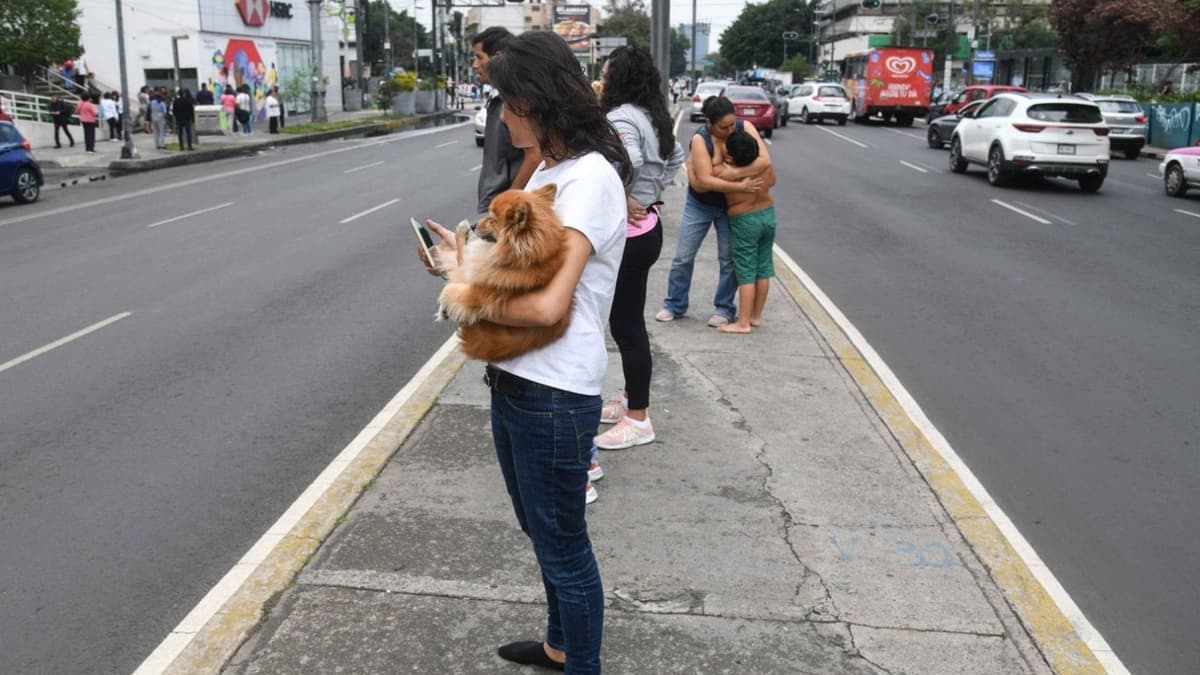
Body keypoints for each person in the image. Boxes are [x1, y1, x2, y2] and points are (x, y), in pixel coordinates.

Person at [423, 30, 631, 674]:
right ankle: (558, 644)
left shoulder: (590, 181)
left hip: (555, 392)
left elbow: (548, 305)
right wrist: (464, 264)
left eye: (508, 103)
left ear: (537, 101)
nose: (503, 117)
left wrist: (466, 296)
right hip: (516, 379)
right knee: (540, 531)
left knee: (564, 545)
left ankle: (582, 665)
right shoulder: (548, 167)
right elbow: (523, 273)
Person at [590, 45, 686, 473]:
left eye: (607, 73)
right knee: (629, 324)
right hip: (647, 228)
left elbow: (620, 160)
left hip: (629, 233)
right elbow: (676, 158)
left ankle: (638, 419)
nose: (602, 79)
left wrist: (628, 196)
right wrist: (651, 193)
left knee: (626, 327)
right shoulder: (653, 114)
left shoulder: (622, 117)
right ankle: (631, 399)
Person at [655, 95, 767, 327]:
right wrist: (740, 184)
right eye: (723, 126)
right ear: (709, 122)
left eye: (731, 124)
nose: (729, 130)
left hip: (732, 207)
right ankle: (674, 304)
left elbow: (765, 162)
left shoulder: (743, 127)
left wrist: (729, 174)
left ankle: (724, 308)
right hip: (700, 205)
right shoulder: (700, 139)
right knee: (683, 257)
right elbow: (702, 182)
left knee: (728, 260)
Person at [472, 26, 541, 215]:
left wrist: (509, 202)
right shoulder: (499, 98)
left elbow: (535, 156)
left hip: (512, 212)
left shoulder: (515, 100)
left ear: (498, 57)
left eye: (479, 57)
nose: (474, 65)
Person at [714, 127, 776, 334]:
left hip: (745, 220)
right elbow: (773, 181)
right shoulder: (763, 167)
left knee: (746, 271)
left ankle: (743, 322)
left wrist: (722, 156)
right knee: (763, 267)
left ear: (731, 157)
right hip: (768, 215)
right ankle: (756, 317)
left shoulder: (725, 172)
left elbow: (710, 175)